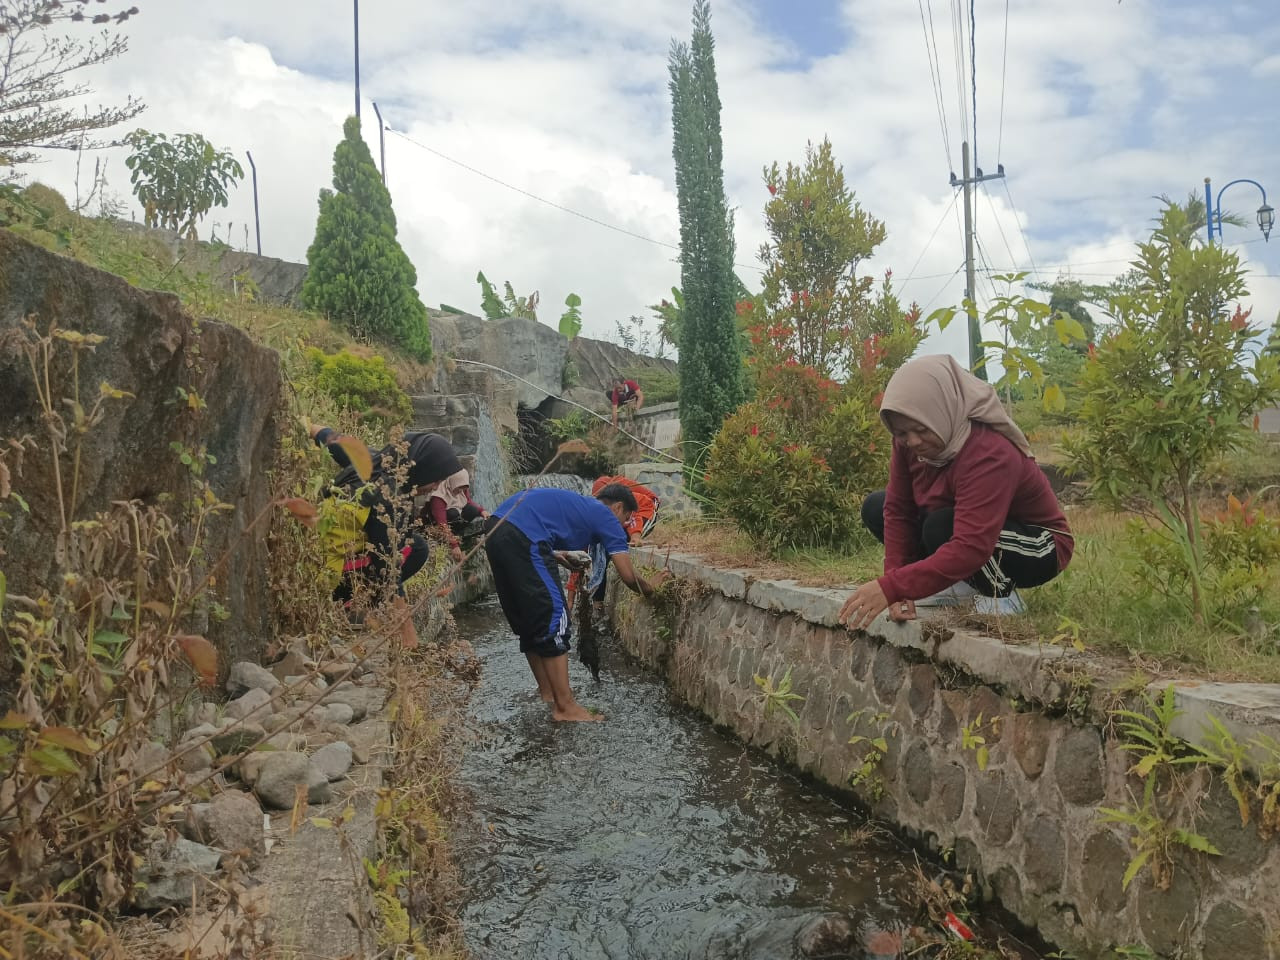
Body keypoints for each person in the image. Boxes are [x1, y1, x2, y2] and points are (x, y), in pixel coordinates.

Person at [839, 354, 1074, 631]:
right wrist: (898, 584)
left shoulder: (988, 451)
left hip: (1038, 546)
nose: (912, 441)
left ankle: (1000, 595)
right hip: (967, 527)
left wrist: (890, 587)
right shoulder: (906, 445)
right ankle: (959, 585)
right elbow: (899, 510)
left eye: (920, 429)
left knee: (943, 526)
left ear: (941, 411)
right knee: (877, 506)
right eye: (902, 433)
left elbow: (971, 545)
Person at [483, 484, 670, 722]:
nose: (624, 525)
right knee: (555, 618)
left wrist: (555, 556)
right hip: (523, 534)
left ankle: (549, 694)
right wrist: (651, 586)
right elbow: (628, 575)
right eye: (626, 519)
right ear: (618, 507)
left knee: (529, 621)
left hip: (496, 529)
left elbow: (521, 526)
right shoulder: (606, 516)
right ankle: (566, 707)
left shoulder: (581, 506)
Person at [309, 425, 467, 649]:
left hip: (313, 552)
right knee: (415, 549)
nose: (435, 487)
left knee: (413, 543)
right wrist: (409, 637)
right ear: (421, 468)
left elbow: (326, 436)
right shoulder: (388, 499)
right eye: (435, 479)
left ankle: (358, 601)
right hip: (327, 576)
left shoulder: (372, 460)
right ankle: (351, 605)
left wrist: (305, 426)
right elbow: (389, 570)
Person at [566, 474, 661, 611]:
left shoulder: (625, 501)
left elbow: (634, 516)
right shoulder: (591, 521)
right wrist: (570, 600)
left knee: (612, 548)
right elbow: (577, 560)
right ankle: (598, 602)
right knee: (604, 552)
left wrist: (635, 536)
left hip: (647, 507)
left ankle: (598, 603)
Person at [417, 467, 487, 564]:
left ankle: (458, 534)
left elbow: (468, 501)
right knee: (453, 513)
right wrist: (454, 545)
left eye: (463, 487)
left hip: (453, 521)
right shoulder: (439, 497)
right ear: (453, 482)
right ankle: (451, 537)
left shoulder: (461, 488)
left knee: (472, 510)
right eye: (459, 487)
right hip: (436, 524)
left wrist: (482, 511)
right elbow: (442, 524)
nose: (461, 491)